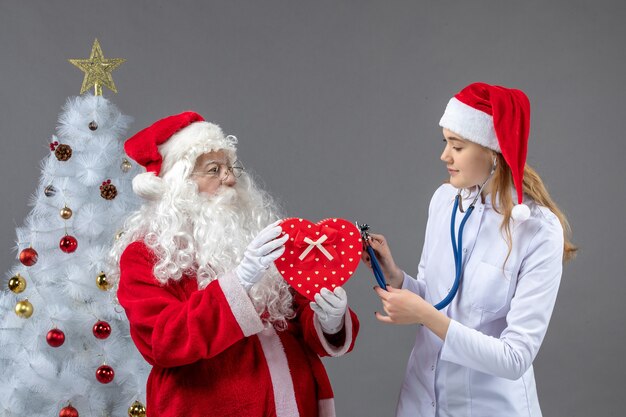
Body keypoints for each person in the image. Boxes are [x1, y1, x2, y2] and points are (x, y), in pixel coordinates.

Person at [110, 111, 359, 417]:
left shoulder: (253, 233)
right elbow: (163, 341)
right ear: (178, 185)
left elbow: (297, 312)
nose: (229, 178)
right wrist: (238, 283)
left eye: (230, 167)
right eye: (214, 170)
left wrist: (328, 321)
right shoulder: (144, 255)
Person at [362, 83, 576, 416]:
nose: (444, 156)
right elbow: (437, 298)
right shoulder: (444, 200)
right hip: (421, 402)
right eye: (445, 142)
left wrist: (424, 315)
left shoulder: (537, 231)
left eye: (457, 146)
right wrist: (396, 277)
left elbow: (515, 357)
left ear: (493, 152)